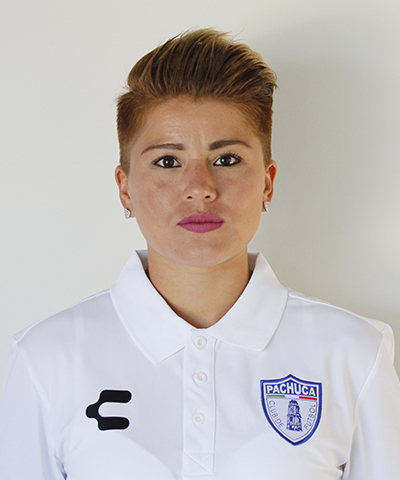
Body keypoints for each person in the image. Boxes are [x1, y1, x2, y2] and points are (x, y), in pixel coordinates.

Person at [0, 28, 399, 480]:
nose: (200, 188)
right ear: (125, 188)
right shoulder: (46, 358)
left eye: (226, 159)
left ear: (267, 182)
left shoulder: (353, 353)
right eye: (167, 161)